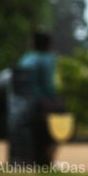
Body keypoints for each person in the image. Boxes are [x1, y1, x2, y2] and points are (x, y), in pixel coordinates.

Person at [18, 31, 62, 164]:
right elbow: (49, 86)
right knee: (61, 115)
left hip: (21, 105)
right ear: (48, 44)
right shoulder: (48, 59)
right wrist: (56, 98)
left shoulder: (26, 59)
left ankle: (37, 158)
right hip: (40, 105)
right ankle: (48, 159)